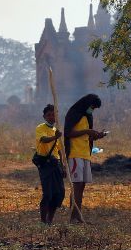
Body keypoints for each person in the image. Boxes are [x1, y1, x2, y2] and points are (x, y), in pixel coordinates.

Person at [64, 93, 106, 224]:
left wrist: (96, 135)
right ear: (87, 104)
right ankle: (73, 217)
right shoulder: (74, 113)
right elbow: (68, 133)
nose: (92, 110)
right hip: (74, 154)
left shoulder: (88, 116)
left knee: (82, 186)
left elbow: (87, 136)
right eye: (92, 107)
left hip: (86, 154)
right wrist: (87, 131)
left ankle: (78, 215)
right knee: (76, 185)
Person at [32, 104, 66, 224]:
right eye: (49, 115)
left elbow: (60, 151)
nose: (51, 117)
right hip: (45, 164)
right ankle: (42, 222)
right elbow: (43, 140)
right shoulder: (40, 128)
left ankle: (49, 221)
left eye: (53, 115)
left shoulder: (57, 131)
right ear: (44, 117)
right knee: (48, 194)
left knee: (59, 193)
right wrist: (55, 137)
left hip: (55, 164)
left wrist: (63, 166)